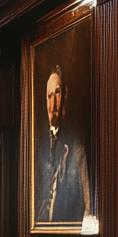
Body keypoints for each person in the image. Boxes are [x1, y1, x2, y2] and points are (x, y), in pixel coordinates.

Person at [35, 64, 92, 226]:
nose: (53, 104)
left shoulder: (77, 148)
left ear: (66, 96)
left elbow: (89, 205)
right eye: (49, 96)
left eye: (58, 93)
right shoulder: (37, 148)